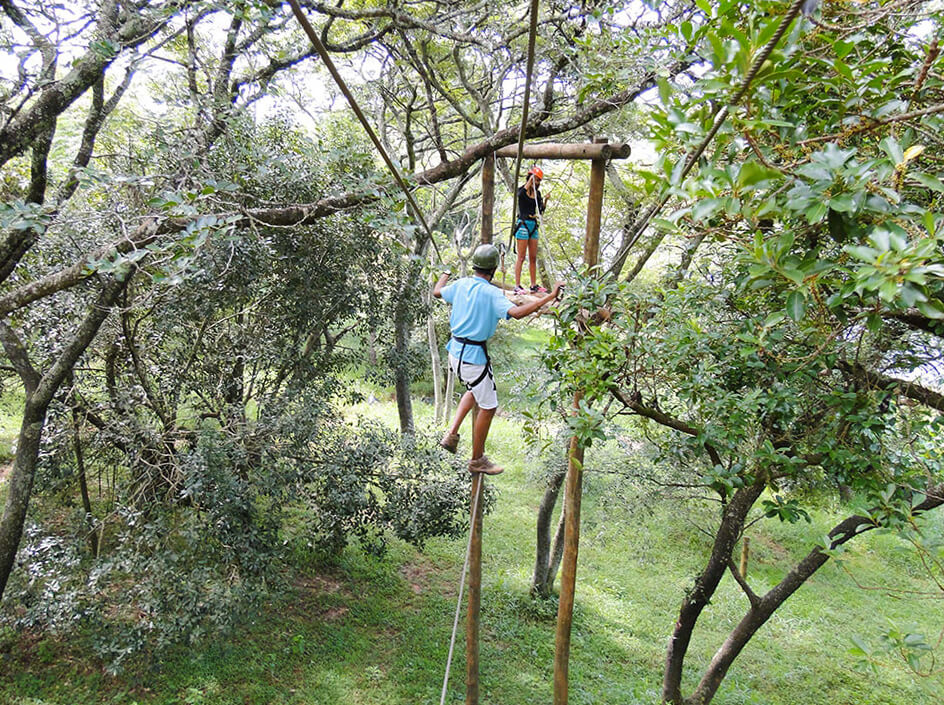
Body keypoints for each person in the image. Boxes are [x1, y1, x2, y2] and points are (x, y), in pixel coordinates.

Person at [434, 243, 563, 475]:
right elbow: (516, 313)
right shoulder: (493, 293)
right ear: (493, 270)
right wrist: (550, 297)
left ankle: (451, 434)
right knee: (489, 405)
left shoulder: (461, 284)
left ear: (474, 266)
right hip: (472, 358)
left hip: (455, 353)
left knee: (474, 390)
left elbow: (436, 292)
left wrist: (445, 273)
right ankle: (477, 460)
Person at [513, 166, 549, 296]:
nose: (537, 183)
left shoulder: (537, 194)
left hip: (533, 224)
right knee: (521, 257)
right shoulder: (522, 190)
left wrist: (545, 201)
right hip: (523, 224)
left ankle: (533, 285)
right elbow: (520, 195)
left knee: (533, 257)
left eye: (539, 181)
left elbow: (540, 210)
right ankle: (517, 285)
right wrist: (531, 181)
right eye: (536, 180)